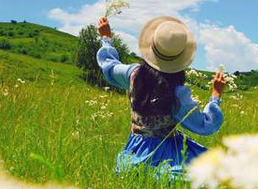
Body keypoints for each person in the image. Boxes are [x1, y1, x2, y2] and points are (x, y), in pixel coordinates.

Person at [96, 16, 226, 177]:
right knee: (216, 168)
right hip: (167, 151)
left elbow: (109, 66)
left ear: (151, 47)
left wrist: (106, 38)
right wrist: (215, 96)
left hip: (135, 150)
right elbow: (206, 126)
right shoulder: (178, 93)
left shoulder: (133, 75)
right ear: (181, 58)